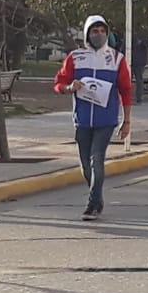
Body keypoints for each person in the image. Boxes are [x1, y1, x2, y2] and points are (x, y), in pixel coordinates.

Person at [54, 15, 133, 220]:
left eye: (102, 31)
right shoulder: (75, 57)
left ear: (107, 34)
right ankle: (97, 197)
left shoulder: (116, 59)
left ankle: (92, 206)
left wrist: (126, 121)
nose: (99, 35)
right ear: (87, 33)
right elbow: (59, 82)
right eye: (94, 31)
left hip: (105, 120)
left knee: (96, 158)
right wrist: (69, 87)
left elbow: (125, 90)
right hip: (82, 120)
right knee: (85, 165)